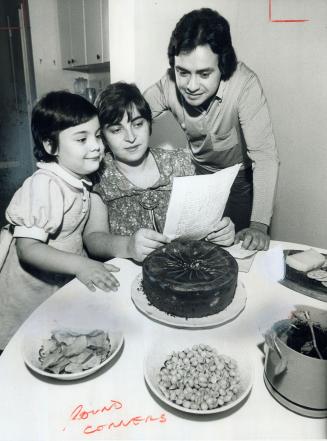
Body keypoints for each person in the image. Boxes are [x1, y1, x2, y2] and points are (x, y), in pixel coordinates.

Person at [144, 8, 279, 251]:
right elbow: (131, 115)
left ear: (223, 66)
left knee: (238, 251)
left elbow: (265, 156)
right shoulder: (168, 84)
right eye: (183, 72)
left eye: (204, 74)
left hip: (240, 179)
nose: (191, 85)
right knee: (198, 252)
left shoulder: (245, 84)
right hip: (199, 175)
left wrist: (259, 226)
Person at [0, 91, 120, 350]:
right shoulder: (44, 185)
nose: (96, 145)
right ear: (50, 146)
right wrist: (81, 265)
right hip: (26, 297)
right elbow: (27, 249)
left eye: (97, 135)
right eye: (81, 138)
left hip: (53, 287)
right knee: (21, 350)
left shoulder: (76, 181)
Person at [83, 82, 235, 262]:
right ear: (104, 137)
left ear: (149, 124)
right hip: (127, 273)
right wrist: (127, 246)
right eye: (116, 130)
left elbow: (206, 220)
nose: (130, 137)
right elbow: (93, 238)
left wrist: (222, 230)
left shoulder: (181, 163)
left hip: (183, 266)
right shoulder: (100, 175)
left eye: (138, 124)